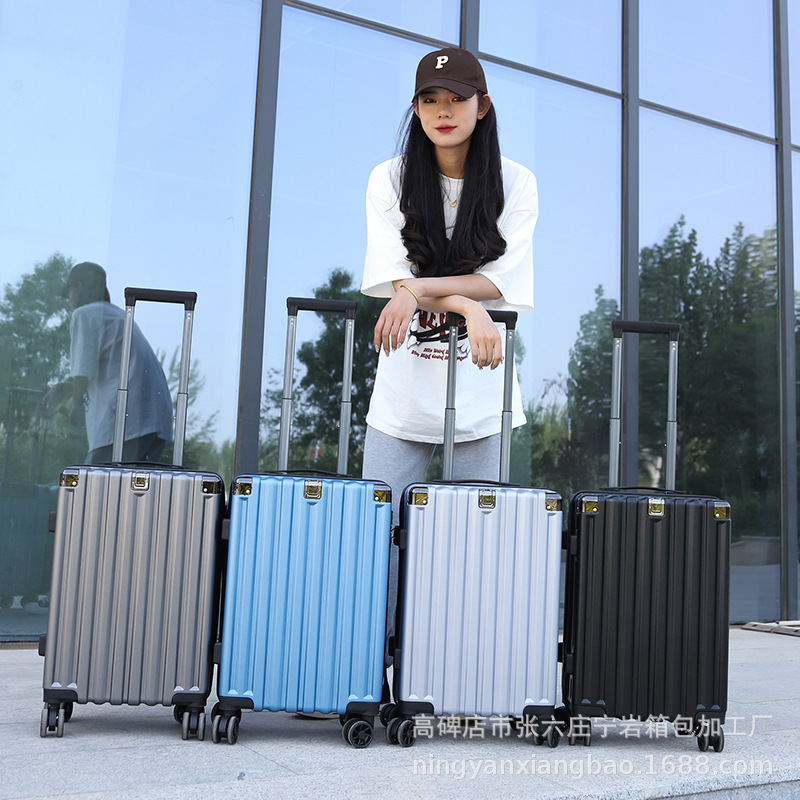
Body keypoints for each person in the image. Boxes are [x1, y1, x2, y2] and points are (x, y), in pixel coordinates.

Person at [360, 47, 538, 519]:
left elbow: (499, 283)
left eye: (457, 99)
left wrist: (418, 291)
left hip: (483, 394)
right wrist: (466, 305)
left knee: (475, 537)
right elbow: (398, 278)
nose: (443, 111)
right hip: (402, 395)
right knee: (379, 533)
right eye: (430, 99)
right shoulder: (389, 179)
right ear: (416, 109)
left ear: (483, 106)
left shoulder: (516, 182)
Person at [44, 262, 174, 464]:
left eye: (69, 293)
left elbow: (82, 374)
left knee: (92, 481)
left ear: (78, 286)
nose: (69, 301)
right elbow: (110, 372)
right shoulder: (118, 316)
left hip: (126, 424)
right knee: (125, 484)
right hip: (153, 423)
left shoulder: (85, 314)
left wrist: (76, 404)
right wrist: (65, 388)